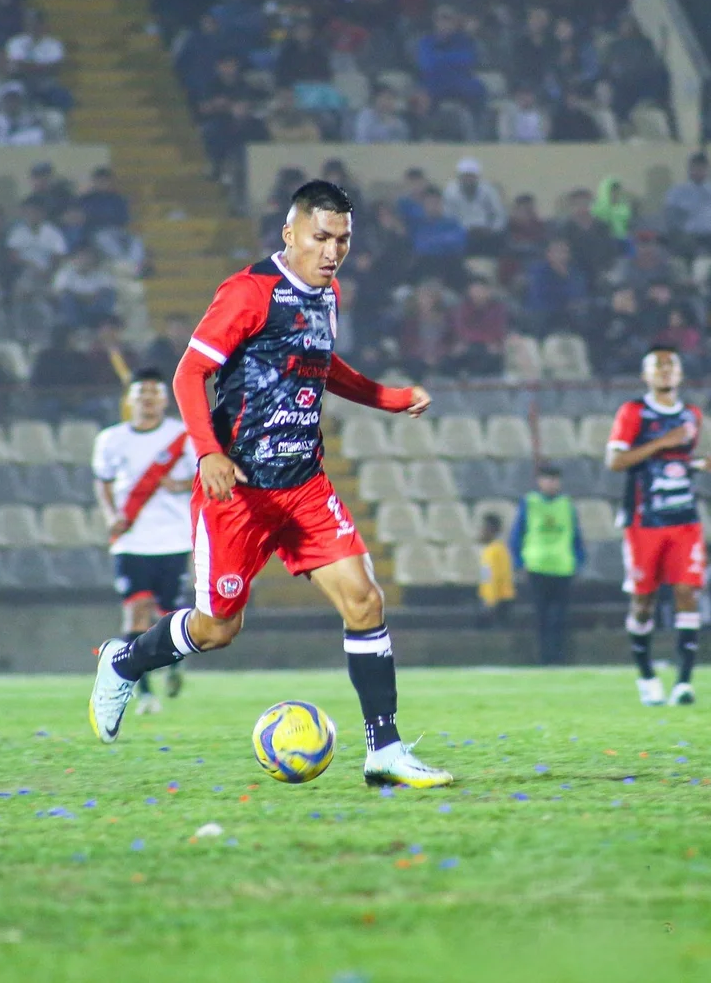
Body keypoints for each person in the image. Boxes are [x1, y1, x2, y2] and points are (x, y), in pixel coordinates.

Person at [87, 179, 453, 789]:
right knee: (217, 628)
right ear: (290, 233)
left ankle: (383, 749)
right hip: (239, 491)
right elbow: (188, 374)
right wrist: (208, 453)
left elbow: (318, 363)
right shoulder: (249, 293)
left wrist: (386, 398)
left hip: (303, 483)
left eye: (342, 239)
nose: (332, 251)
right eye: (320, 237)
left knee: (364, 601)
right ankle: (123, 660)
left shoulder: (326, 294)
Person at [607, 347, 711, 706]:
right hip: (644, 520)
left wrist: (700, 465)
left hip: (684, 520)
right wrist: (663, 441)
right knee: (644, 601)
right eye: (657, 365)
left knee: (687, 593)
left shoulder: (693, 415)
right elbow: (615, 461)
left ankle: (684, 683)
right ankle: (646, 675)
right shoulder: (634, 412)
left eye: (671, 364)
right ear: (645, 375)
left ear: (681, 374)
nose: (665, 370)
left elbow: (676, 463)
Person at [91, 369, 196, 716]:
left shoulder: (184, 436)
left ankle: (175, 665)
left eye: (154, 393)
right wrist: (109, 516)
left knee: (169, 616)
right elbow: (102, 482)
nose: (147, 399)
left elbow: (205, 477)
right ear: (130, 400)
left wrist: (178, 487)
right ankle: (145, 693)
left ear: (165, 399)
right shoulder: (110, 439)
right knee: (136, 614)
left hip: (173, 539)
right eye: (141, 393)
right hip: (132, 540)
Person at [509, 465, 586, 666]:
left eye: (554, 479)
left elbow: (575, 535)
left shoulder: (566, 504)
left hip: (562, 566)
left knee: (560, 616)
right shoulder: (530, 503)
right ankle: (544, 657)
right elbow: (518, 533)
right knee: (541, 616)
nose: (551, 483)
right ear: (539, 481)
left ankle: (559, 657)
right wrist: (518, 561)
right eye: (547, 479)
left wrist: (579, 560)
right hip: (537, 566)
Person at [662, 152, 711, 257]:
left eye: (702, 168)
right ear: (689, 169)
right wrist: (681, 229)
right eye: (695, 168)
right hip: (687, 233)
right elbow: (671, 217)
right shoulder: (676, 192)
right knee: (684, 244)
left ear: (707, 170)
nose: (698, 171)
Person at [476, 513, 515, 629]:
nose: (481, 532)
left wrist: (489, 601)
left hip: (497, 601)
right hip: (499, 598)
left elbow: (493, 577)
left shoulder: (494, 551)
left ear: (490, 530)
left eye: (483, 529)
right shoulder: (496, 549)